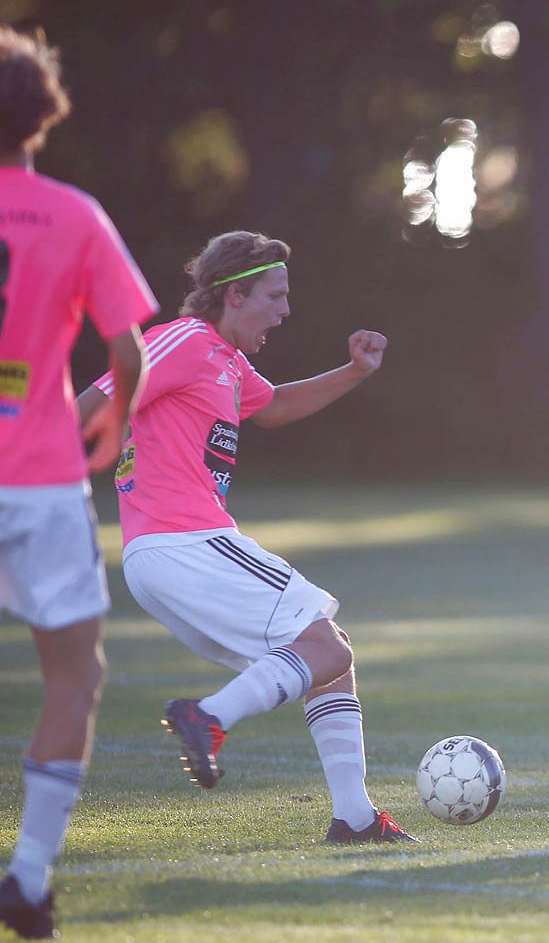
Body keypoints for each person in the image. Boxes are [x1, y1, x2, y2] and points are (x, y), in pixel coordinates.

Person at [77, 231, 413, 843]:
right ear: (234, 295)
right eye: (275, 295)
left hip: (171, 554)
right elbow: (93, 402)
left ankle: (355, 818)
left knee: (325, 659)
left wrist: (356, 371)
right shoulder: (183, 341)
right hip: (187, 542)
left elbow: (275, 406)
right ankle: (207, 716)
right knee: (330, 647)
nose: (285, 311)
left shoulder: (228, 362)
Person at [0, 25, 157, 940]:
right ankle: (26, 877)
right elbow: (126, 346)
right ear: (43, 113)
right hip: (45, 477)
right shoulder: (73, 213)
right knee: (74, 673)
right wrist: (117, 413)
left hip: (44, 475)